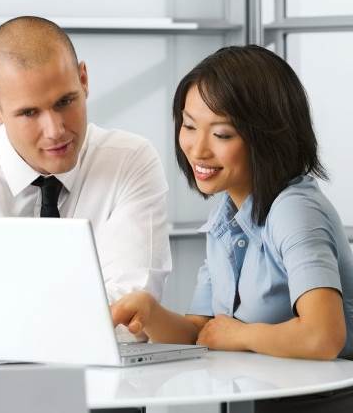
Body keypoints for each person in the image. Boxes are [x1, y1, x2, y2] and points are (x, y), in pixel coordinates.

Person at [112, 45, 353, 362]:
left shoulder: (295, 210)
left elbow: (323, 336)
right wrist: (149, 310)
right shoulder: (227, 215)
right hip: (263, 393)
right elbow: (204, 332)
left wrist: (242, 334)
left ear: (267, 137)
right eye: (189, 126)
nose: (198, 149)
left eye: (222, 134)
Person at [0, 16, 171, 307]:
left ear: (84, 80)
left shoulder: (129, 161)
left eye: (65, 102)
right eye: (30, 113)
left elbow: (132, 313)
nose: (56, 130)